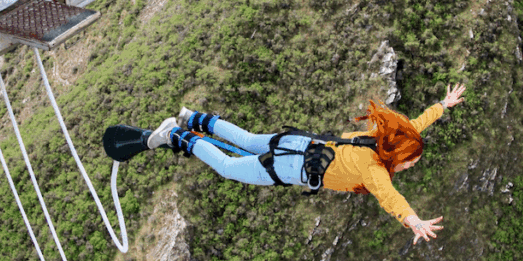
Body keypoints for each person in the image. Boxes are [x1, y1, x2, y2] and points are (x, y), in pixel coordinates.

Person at [148, 83, 467, 245]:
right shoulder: (375, 171)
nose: (410, 166)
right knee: (229, 168)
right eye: (410, 163)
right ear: (396, 156)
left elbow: (414, 125)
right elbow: (390, 198)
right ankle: (176, 135)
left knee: (246, 140)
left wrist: (442, 106)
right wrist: (413, 221)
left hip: (299, 144)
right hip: (290, 168)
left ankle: (193, 118)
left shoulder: (374, 138)